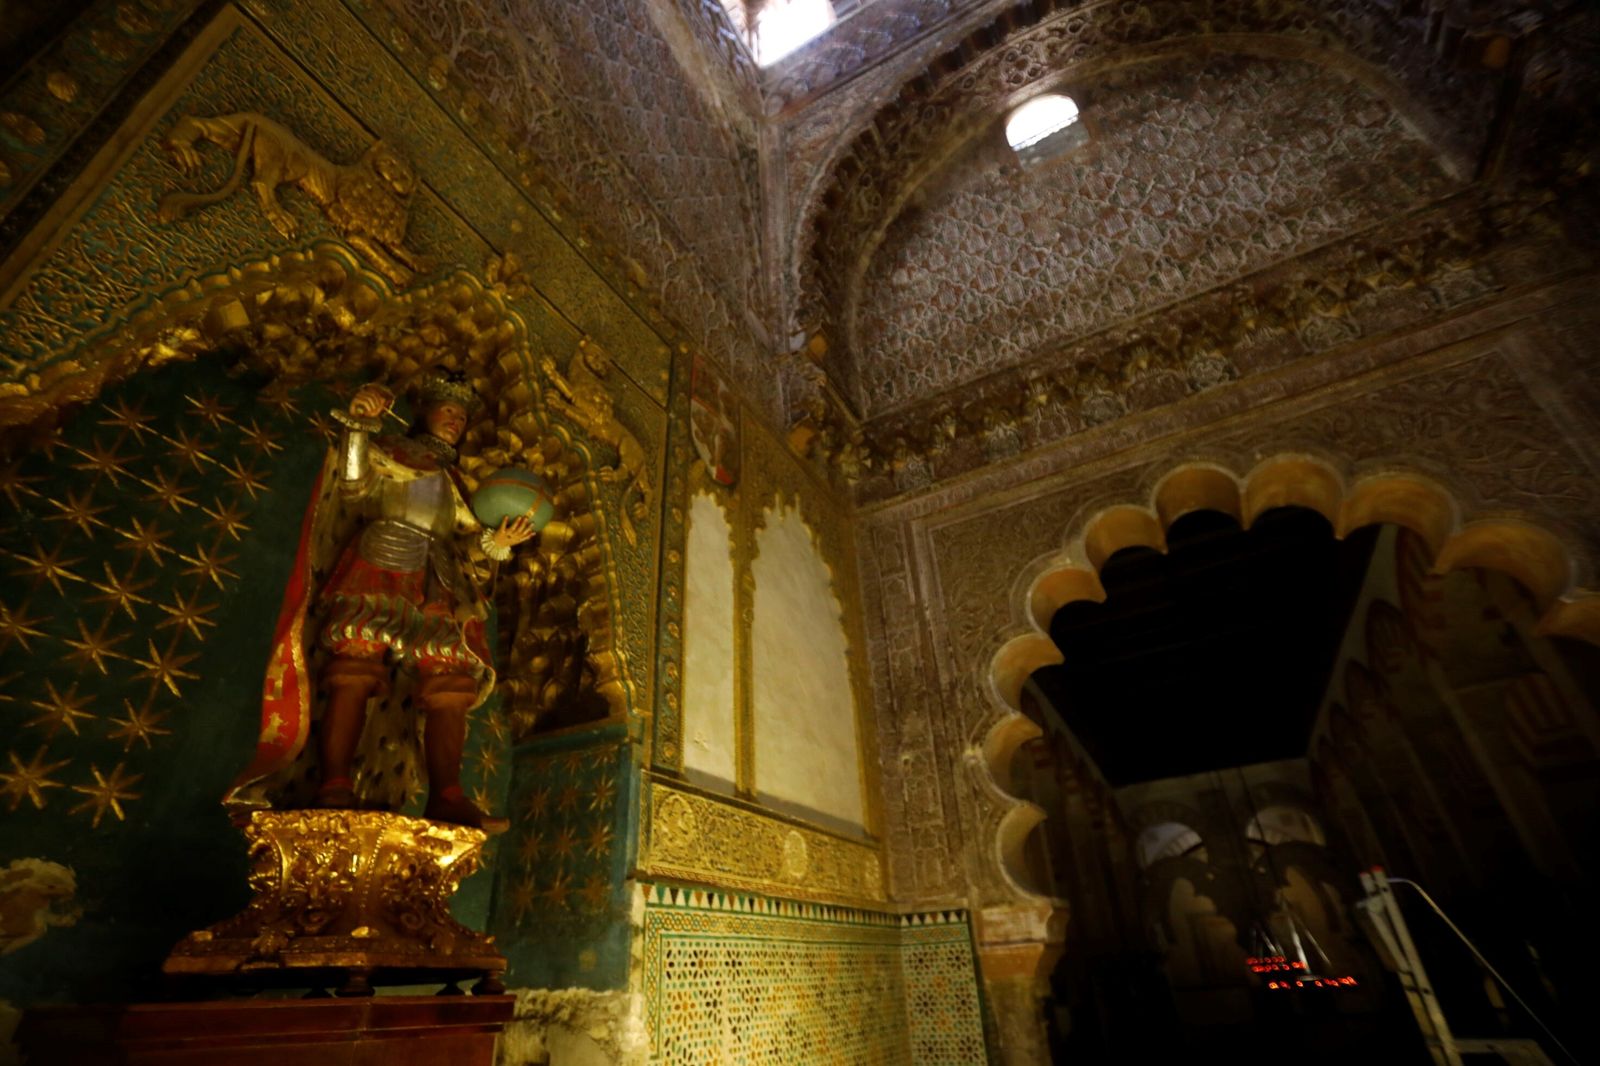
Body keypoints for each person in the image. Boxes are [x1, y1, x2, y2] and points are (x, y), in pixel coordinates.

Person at [225, 371, 534, 830]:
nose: (455, 422)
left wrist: (497, 543)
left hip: (439, 577)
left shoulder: (456, 483)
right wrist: (357, 427)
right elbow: (353, 485)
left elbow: (462, 544)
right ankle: (333, 781)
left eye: (462, 417)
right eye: (448, 411)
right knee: (354, 663)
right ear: (424, 412)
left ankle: (447, 794)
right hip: (382, 557)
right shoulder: (391, 452)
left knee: (452, 678)